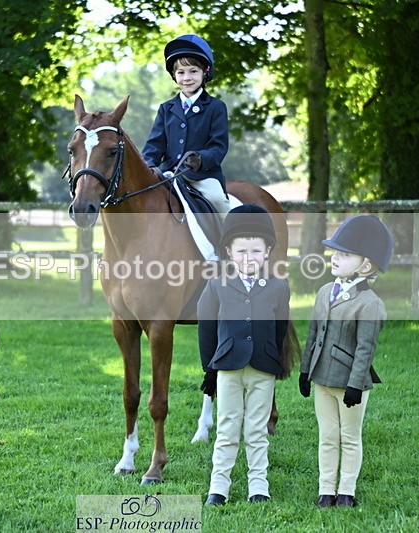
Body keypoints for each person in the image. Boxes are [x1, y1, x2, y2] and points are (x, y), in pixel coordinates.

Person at [197, 204, 291, 505]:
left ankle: (258, 486)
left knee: (257, 430)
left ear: (267, 252)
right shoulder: (216, 285)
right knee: (227, 428)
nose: (248, 258)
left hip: (263, 368)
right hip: (228, 367)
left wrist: (273, 357)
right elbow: (206, 329)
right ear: (228, 251)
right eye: (241, 251)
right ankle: (218, 487)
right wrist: (210, 369)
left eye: (255, 251)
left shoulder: (278, 287)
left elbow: (280, 328)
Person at [299, 214, 394, 508]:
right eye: (335, 252)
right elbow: (313, 334)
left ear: (366, 265)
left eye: (345, 254)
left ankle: (347, 492)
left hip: (350, 384)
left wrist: (355, 385)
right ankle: (326, 490)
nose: (336, 257)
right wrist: (305, 370)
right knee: (327, 436)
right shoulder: (324, 292)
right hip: (322, 378)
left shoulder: (370, 304)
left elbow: (366, 349)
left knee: (349, 437)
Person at [142, 33, 232, 217]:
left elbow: (219, 146)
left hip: (202, 176)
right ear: (174, 75)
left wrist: (201, 159)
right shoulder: (166, 108)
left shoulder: (216, 107)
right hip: (167, 174)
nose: (187, 78)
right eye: (181, 72)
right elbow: (155, 144)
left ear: (205, 71)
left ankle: (230, 233)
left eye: (193, 71)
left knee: (218, 201)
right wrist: (149, 165)